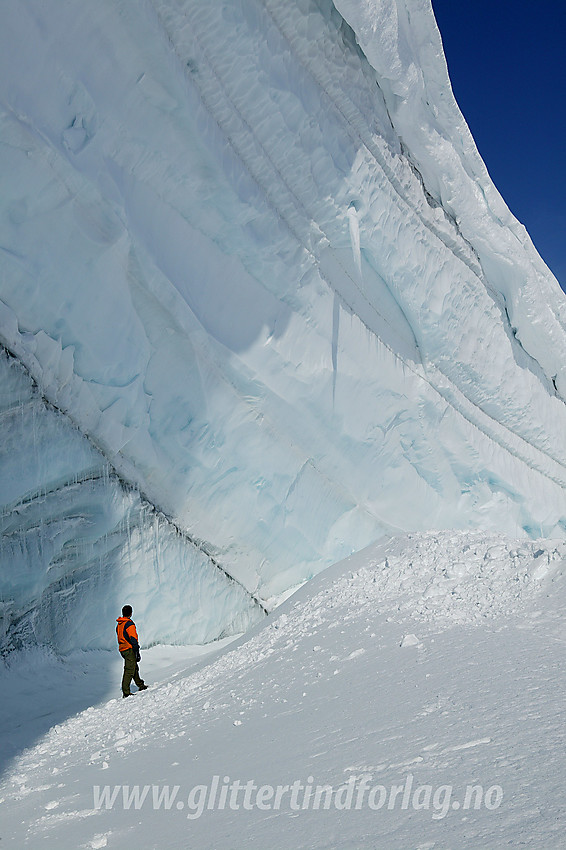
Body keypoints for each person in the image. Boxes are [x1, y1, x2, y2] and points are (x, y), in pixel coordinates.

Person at [116, 605, 148, 698]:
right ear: (131, 613)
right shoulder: (129, 624)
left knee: (133, 667)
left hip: (123, 649)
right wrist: (136, 651)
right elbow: (133, 638)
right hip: (128, 649)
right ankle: (126, 692)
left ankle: (140, 685)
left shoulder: (120, 624)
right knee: (129, 669)